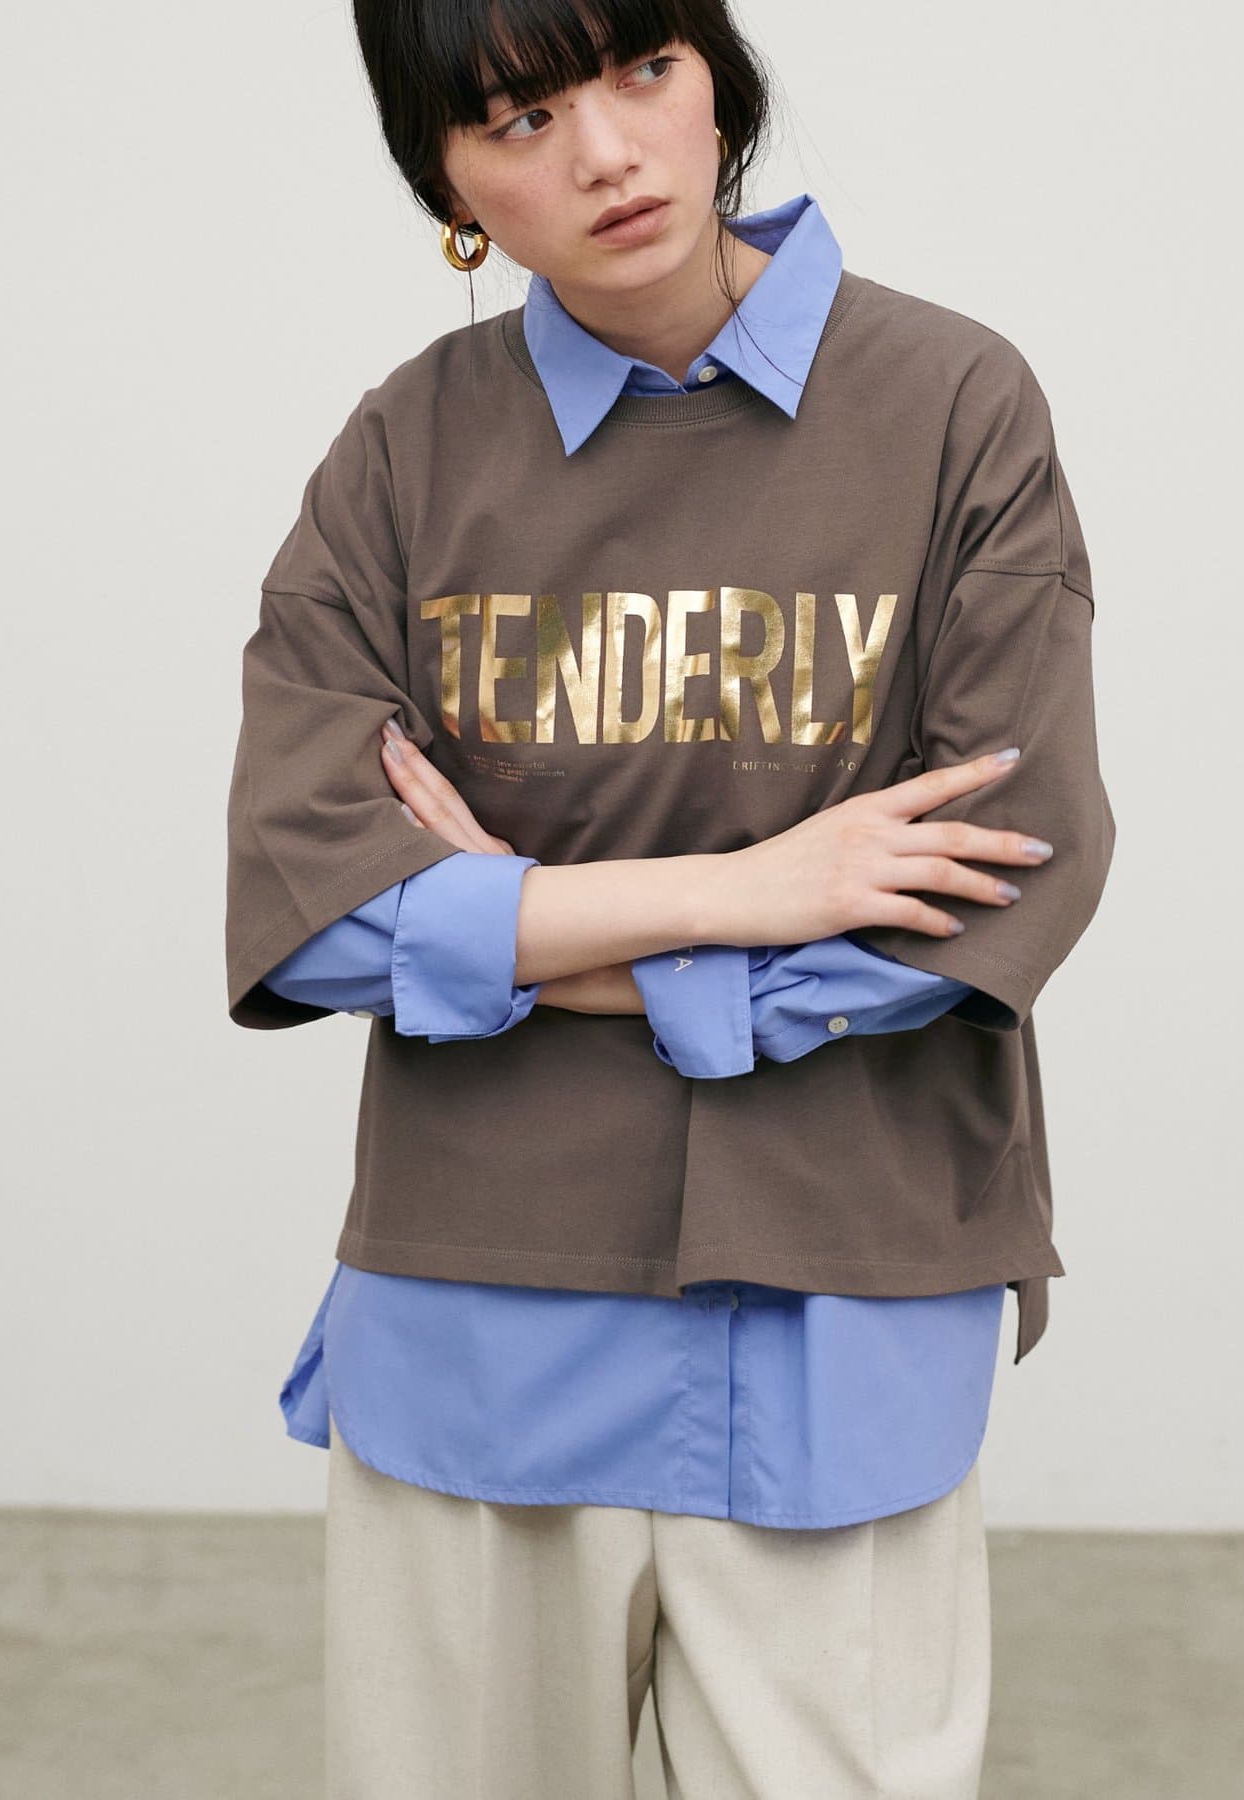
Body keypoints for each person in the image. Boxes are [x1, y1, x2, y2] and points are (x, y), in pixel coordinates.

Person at [224, 2, 1116, 1794]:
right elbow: (307, 904)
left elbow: (1003, 871)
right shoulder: (405, 451)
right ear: (447, 187)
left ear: (722, 79)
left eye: (644, 70)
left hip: (843, 1297)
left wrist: (525, 934)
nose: (607, 152)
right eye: (518, 118)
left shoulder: (953, 406)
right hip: (483, 1308)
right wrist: (754, 889)